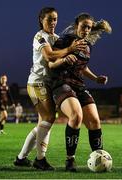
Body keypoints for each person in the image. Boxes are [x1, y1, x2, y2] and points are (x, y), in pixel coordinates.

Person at [14, 7, 86, 170]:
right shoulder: (40, 36)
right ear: (41, 19)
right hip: (37, 83)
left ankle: (21, 158)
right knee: (48, 117)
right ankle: (40, 160)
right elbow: (48, 56)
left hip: (49, 84)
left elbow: (59, 60)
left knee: (44, 122)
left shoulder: (57, 38)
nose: (53, 22)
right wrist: (69, 50)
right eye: (50, 19)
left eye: (55, 19)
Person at [47, 13, 112, 171]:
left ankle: (99, 158)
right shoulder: (64, 40)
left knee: (95, 121)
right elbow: (51, 64)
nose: (87, 29)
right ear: (77, 25)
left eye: (89, 27)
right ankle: (70, 160)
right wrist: (64, 59)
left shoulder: (87, 46)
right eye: (84, 26)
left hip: (79, 85)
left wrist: (96, 78)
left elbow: (83, 67)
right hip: (61, 83)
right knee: (76, 116)